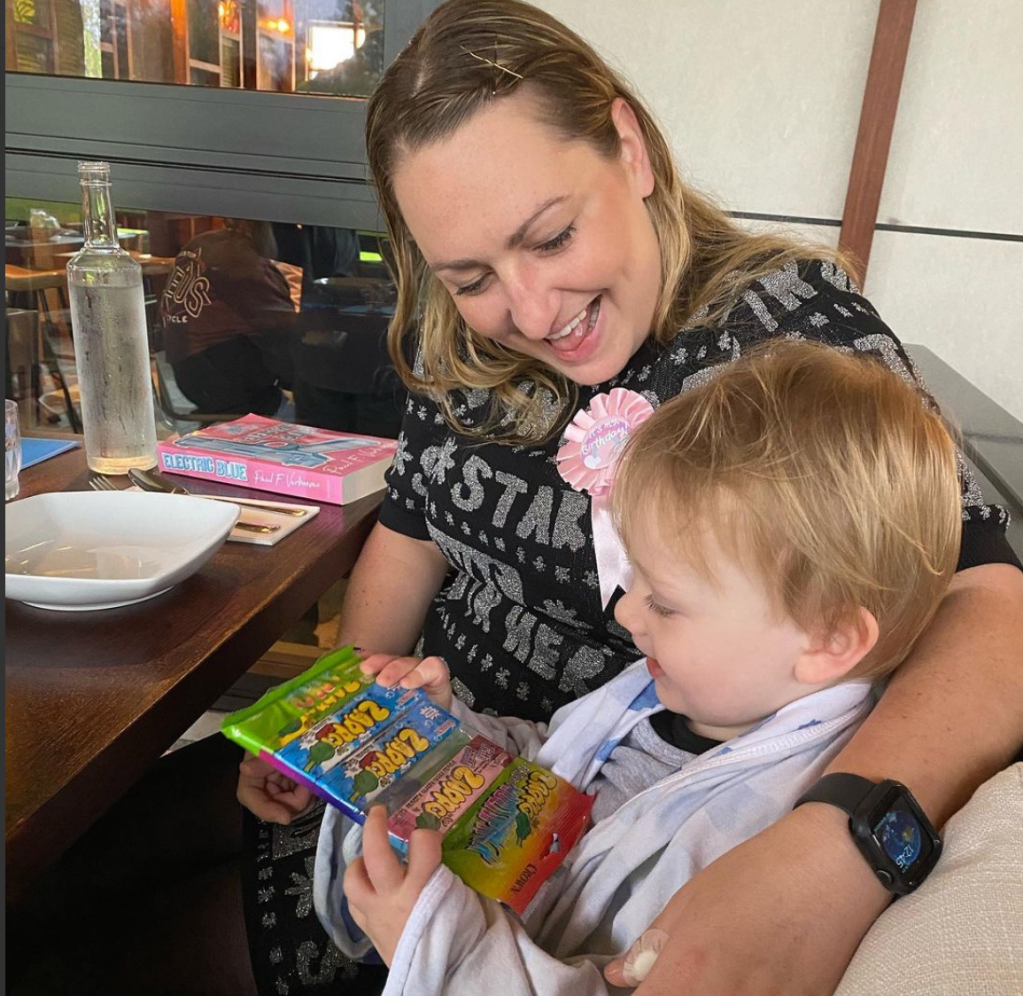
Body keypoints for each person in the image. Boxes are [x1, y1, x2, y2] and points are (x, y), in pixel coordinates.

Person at [12, 2, 1020, 995]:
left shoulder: (787, 346)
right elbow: (410, 537)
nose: (531, 312)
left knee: (91, 961)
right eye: (470, 275)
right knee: (47, 866)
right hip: (425, 738)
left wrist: (833, 848)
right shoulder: (461, 338)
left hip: (541, 843)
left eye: (551, 236)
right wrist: (331, 716)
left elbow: (987, 603)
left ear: (630, 149)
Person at [325, 340, 964, 994]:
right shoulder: (684, 695)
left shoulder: (759, 843)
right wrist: (450, 734)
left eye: (664, 601)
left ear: (828, 639)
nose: (628, 612)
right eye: (634, 580)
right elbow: (553, 772)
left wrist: (442, 949)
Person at [160, 219, 297, 418]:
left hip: (188, 375)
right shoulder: (241, 261)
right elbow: (282, 333)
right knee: (314, 390)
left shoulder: (202, 242)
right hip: (226, 386)